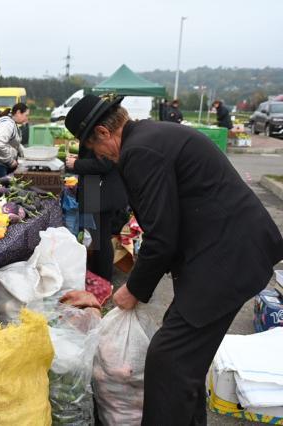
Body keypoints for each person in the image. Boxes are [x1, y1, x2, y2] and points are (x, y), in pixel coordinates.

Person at [64, 94, 283, 425]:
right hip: (224, 251)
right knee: (182, 360)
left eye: (95, 149)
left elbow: (162, 237)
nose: (101, 156)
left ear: (104, 133)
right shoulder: (151, 136)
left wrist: (132, 290)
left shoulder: (139, 151)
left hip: (228, 255)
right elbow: (170, 225)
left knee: (168, 360)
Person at [65, 144, 127, 281]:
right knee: (98, 238)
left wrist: (77, 164)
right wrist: (80, 159)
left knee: (101, 238)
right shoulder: (102, 135)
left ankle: (103, 280)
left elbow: (104, 164)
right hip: (96, 190)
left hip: (99, 192)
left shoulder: (102, 137)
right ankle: (99, 277)